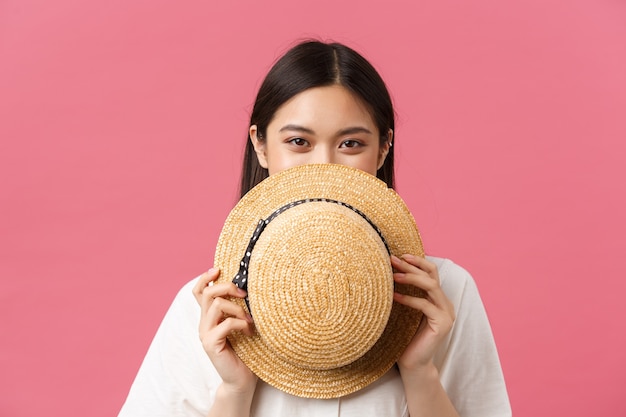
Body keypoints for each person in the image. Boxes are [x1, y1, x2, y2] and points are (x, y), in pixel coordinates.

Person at [118, 40, 511, 417]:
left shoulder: (445, 294)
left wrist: (420, 372)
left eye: (351, 144)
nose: (324, 165)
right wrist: (234, 393)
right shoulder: (210, 310)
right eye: (298, 141)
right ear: (261, 145)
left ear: (384, 148)